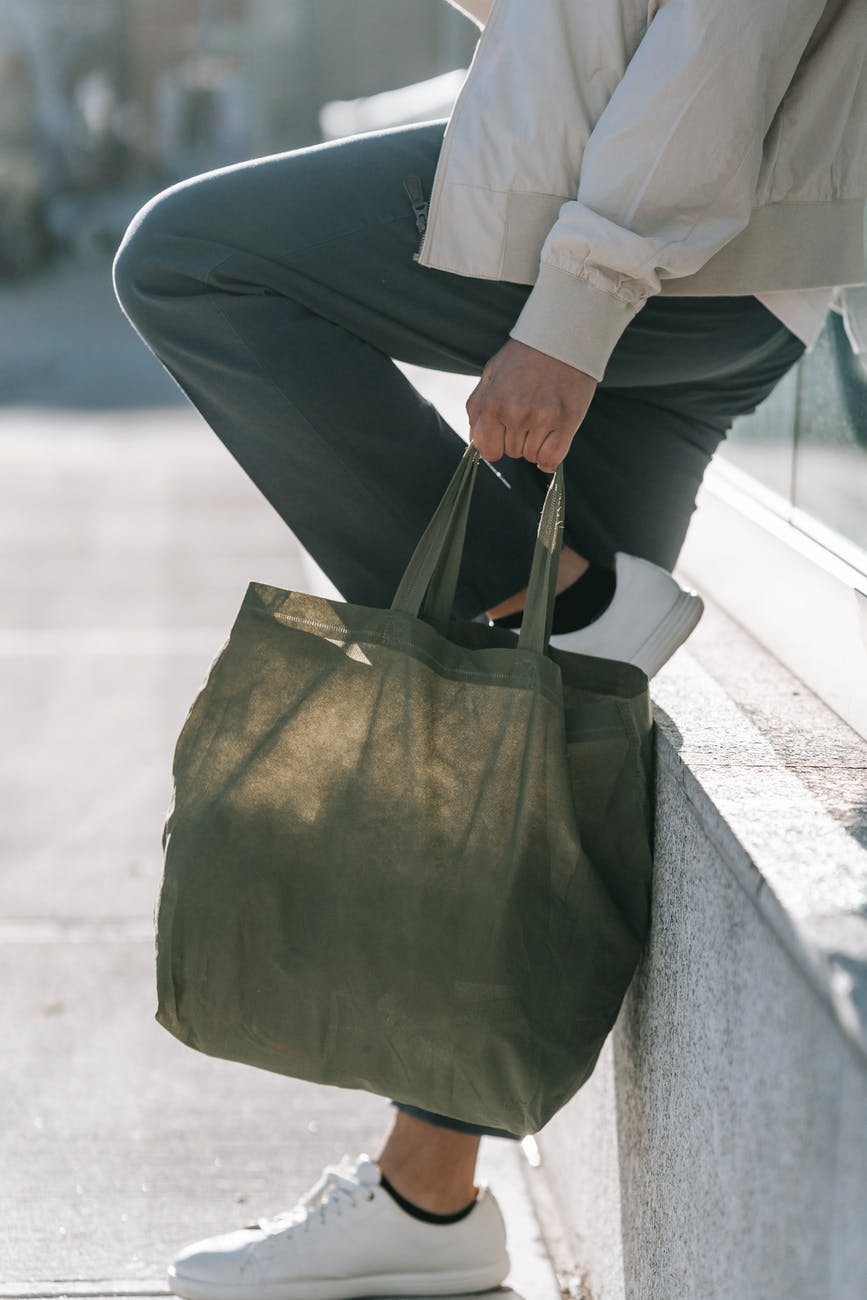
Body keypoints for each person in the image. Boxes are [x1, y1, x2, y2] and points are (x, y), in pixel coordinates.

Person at [113, 0, 867, 1296]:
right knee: (529, 738)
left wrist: (574, 311)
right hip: (716, 247)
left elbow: (721, 37)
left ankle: (559, 606)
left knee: (191, 260)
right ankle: (430, 1196)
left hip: (676, 229)